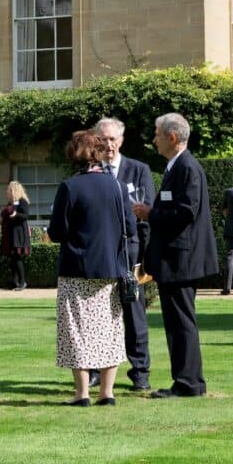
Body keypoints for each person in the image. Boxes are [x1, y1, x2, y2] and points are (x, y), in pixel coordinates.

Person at [48, 129, 131, 405]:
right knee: (110, 330)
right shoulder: (117, 186)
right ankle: (107, 392)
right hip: (110, 268)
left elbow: (58, 232)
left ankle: (82, 393)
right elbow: (129, 228)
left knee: (77, 330)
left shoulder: (70, 187)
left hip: (77, 268)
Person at [135, 113, 215, 397]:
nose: (153, 139)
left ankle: (188, 383)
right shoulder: (177, 167)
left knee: (181, 321)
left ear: (171, 137)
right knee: (178, 321)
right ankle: (186, 380)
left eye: (157, 134)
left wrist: (150, 213)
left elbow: (186, 212)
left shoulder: (187, 168)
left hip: (181, 259)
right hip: (176, 257)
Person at [93, 117, 157, 391]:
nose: (109, 145)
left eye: (113, 139)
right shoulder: (91, 171)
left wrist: (146, 257)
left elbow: (147, 212)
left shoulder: (138, 170)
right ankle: (94, 369)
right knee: (98, 312)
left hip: (131, 252)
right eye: (104, 139)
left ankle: (140, 371)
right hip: (101, 251)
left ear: (121, 140)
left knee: (134, 311)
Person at [0, 180, 34, 290]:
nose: (7, 192)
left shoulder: (22, 201)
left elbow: (26, 216)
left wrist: (16, 214)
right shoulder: (11, 202)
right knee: (12, 258)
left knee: (17, 257)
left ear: (14, 190)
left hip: (19, 233)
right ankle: (14, 281)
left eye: (9, 189)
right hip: (11, 233)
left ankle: (22, 282)